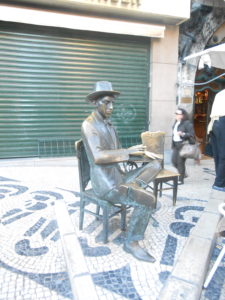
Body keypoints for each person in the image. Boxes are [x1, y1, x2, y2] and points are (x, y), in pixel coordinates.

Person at [81, 81, 161, 263]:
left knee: (155, 165)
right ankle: (131, 243)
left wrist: (137, 152)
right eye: (106, 102)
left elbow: (118, 152)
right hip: (107, 184)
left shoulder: (109, 125)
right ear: (95, 102)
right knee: (149, 200)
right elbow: (98, 157)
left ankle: (133, 191)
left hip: (118, 176)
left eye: (112, 103)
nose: (111, 107)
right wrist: (128, 152)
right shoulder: (89, 125)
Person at [207, 89, 225, 192]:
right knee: (223, 156)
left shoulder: (220, 93)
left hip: (214, 124)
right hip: (222, 122)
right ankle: (219, 183)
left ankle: (219, 182)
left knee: (218, 156)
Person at [171, 108, 195, 184]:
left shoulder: (187, 123)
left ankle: (181, 180)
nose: (177, 115)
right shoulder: (176, 123)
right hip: (176, 145)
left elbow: (191, 134)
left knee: (180, 163)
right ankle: (183, 173)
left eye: (178, 114)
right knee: (174, 161)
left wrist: (183, 134)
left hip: (183, 145)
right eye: (176, 113)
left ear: (183, 115)